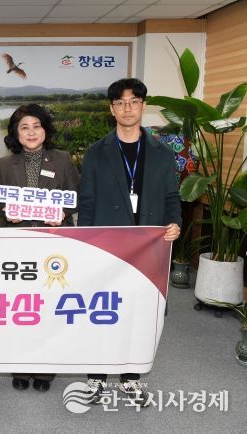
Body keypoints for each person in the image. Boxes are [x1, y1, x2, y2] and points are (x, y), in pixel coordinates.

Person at [78, 78, 181, 406]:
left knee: (139, 315)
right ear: (112, 109)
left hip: (147, 250)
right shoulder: (96, 153)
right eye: (120, 103)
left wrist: (175, 223)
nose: (127, 108)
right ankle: (96, 377)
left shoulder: (163, 154)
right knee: (104, 312)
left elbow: (172, 197)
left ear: (143, 106)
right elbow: (87, 203)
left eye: (134, 102)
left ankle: (131, 379)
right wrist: (85, 246)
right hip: (107, 248)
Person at [0, 103, 80, 392]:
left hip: (54, 244)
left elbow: (76, 196)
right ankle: (20, 366)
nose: (31, 132)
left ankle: (45, 370)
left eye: (36, 126)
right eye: (24, 127)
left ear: (45, 129)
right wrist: (7, 212)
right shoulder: (5, 164)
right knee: (21, 308)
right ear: (16, 134)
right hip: (18, 244)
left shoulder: (63, 160)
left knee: (50, 307)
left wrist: (63, 213)